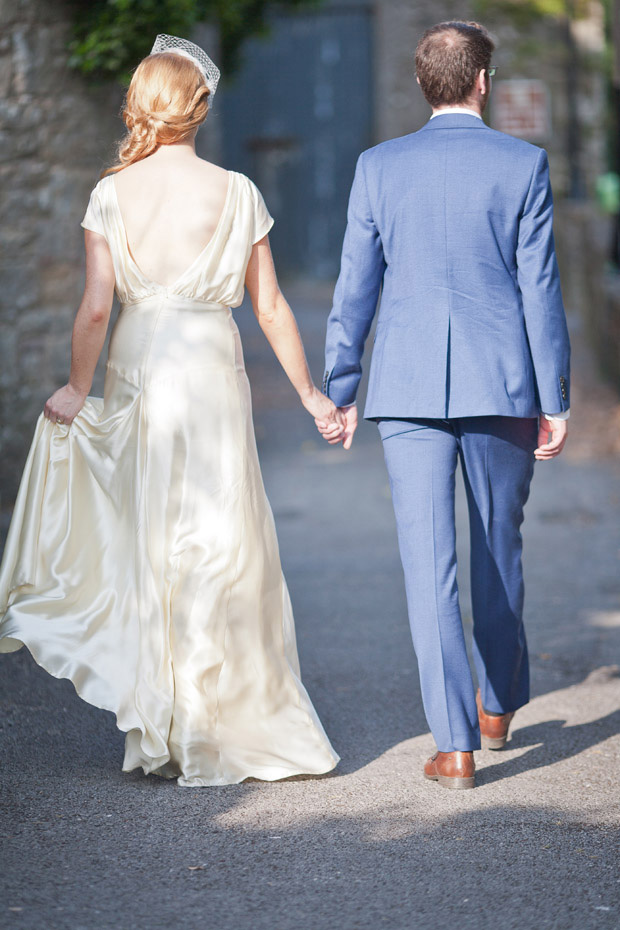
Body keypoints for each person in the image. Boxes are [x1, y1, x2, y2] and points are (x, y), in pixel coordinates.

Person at [0, 35, 341, 787]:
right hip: (210, 369)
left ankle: (164, 721)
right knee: (222, 534)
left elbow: (95, 308)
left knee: (150, 534)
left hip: (140, 363)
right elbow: (272, 306)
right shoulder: (239, 191)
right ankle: (226, 717)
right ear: (201, 108)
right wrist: (313, 394)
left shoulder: (111, 193)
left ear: (141, 105)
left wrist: (75, 387)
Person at [318, 21, 570, 789]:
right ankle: (497, 707)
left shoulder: (378, 167)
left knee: (429, 567)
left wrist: (342, 384)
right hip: (504, 386)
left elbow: (355, 284)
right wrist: (554, 397)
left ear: (423, 83)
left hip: (408, 387)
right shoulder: (522, 163)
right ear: (482, 82)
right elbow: (541, 292)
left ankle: (454, 745)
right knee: (499, 547)